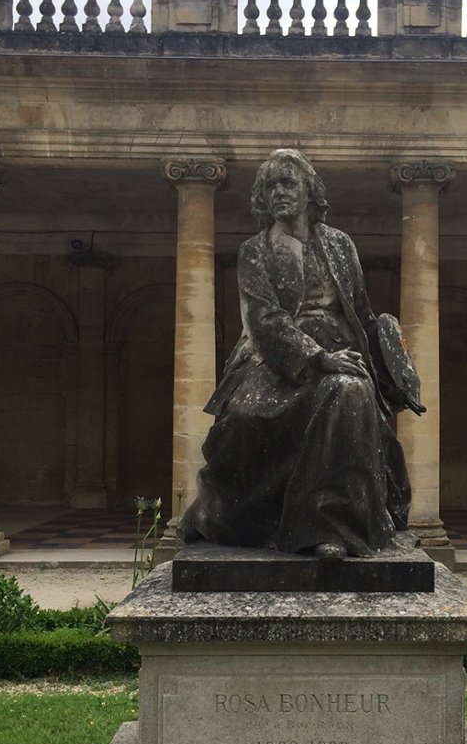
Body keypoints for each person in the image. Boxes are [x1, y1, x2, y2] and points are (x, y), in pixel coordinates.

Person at [179, 149, 422, 560]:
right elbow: (265, 320)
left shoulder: (341, 246)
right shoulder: (255, 250)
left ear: (310, 190)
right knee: (244, 417)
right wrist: (315, 359)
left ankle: (331, 527)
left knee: (350, 392)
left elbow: (360, 314)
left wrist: (392, 374)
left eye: (287, 182)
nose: (278, 193)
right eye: (269, 186)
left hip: (341, 351)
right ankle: (234, 518)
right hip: (274, 359)